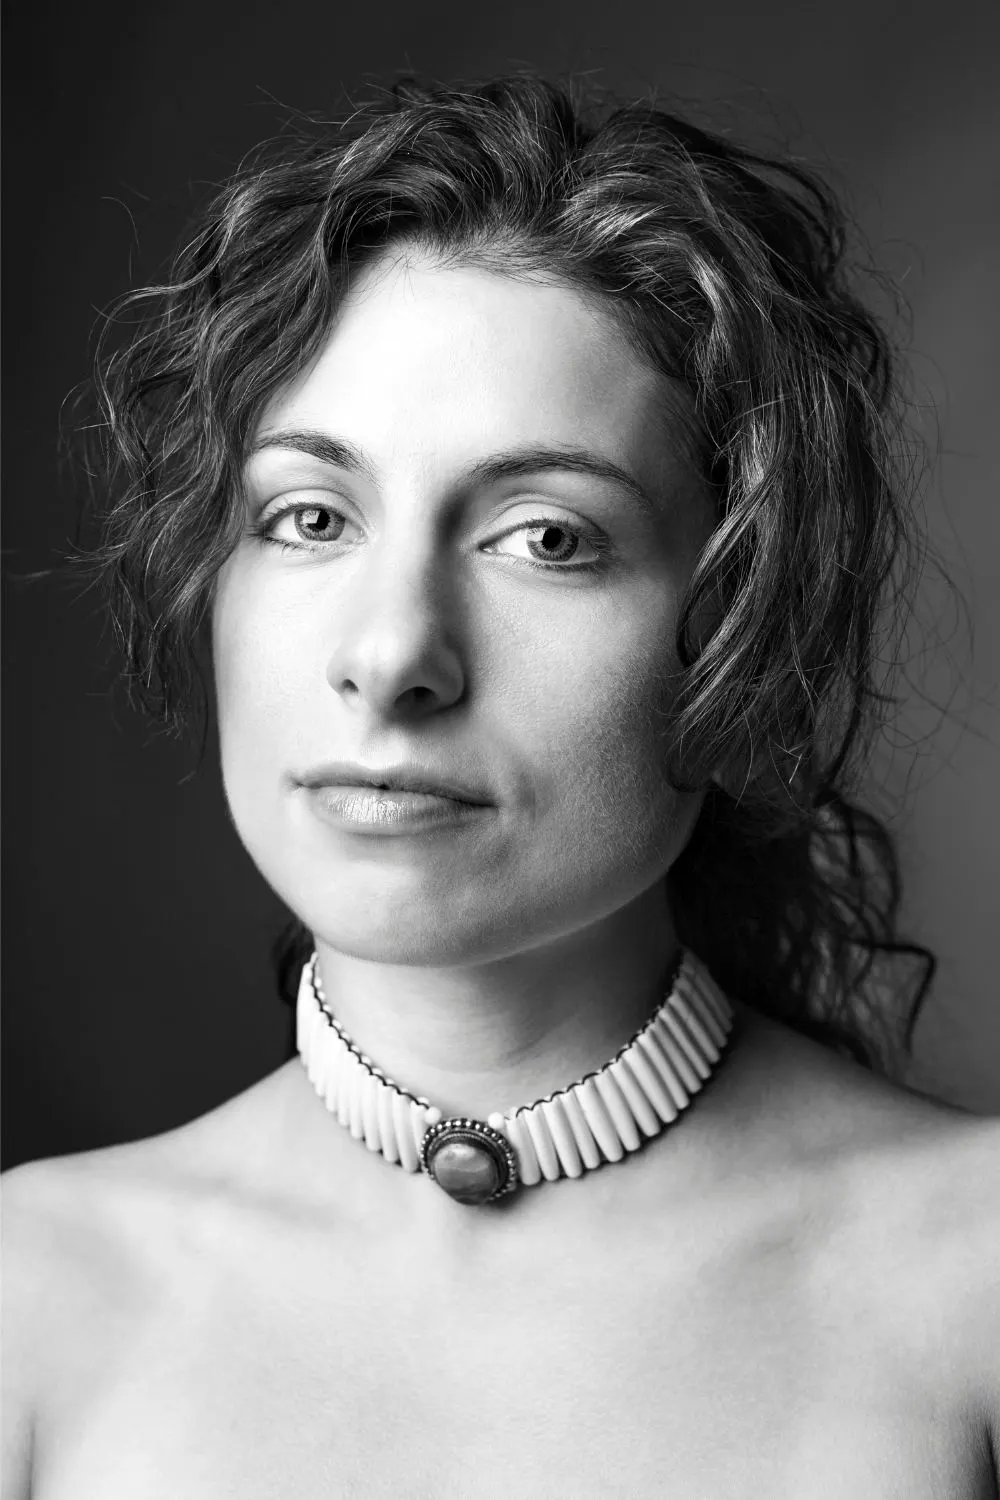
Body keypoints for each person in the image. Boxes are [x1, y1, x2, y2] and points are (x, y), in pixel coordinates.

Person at [2, 71, 998, 1498]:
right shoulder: (30, 1302)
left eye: (545, 538)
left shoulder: (974, 1286)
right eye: (310, 515)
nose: (395, 653)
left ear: (741, 629)